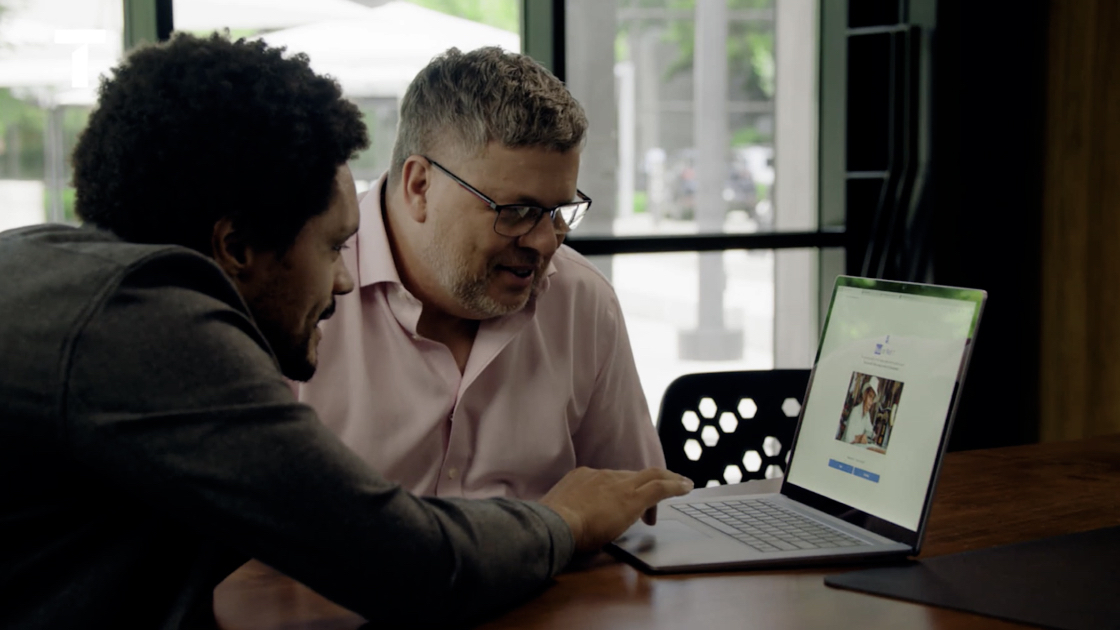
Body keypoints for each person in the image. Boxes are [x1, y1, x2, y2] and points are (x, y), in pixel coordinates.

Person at [0, 34, 692, 630]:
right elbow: (405, 561)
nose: (342, 282)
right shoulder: (148, 329)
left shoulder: (50, 272)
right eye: (333, 249)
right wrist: (563, 521)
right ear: (237, 246)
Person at [298, 47, 664, 500]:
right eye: (518, 211)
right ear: (419, 186)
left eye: (560, 211)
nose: (546, 242)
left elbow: (633, 503)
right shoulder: (299, 290)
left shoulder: (581, 300)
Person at [843, 377, 880, 445]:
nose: (870, 403)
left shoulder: (867, 415)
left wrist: (874, 435)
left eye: (872, 399)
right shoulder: (855, 411)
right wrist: (859, 438)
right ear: (865, 395)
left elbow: (869, 430)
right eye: (870, 396)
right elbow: (847, 438)